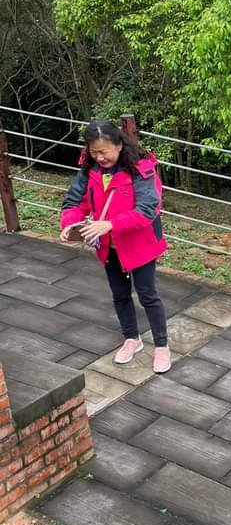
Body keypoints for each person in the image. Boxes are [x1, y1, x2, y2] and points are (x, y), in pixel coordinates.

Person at [60, 120, 172, 374]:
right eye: (94, 152)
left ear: (119, 145)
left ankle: (161, 345)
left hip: (140, 243)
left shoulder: (141, 168)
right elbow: (73, 202)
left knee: (147, 294)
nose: (100, 158)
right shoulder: (89, 168)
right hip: (108, 246)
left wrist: (110, 224)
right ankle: (132, 338)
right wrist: (70, 224)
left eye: (104, 151)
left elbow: (147, 209)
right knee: (120, 294)